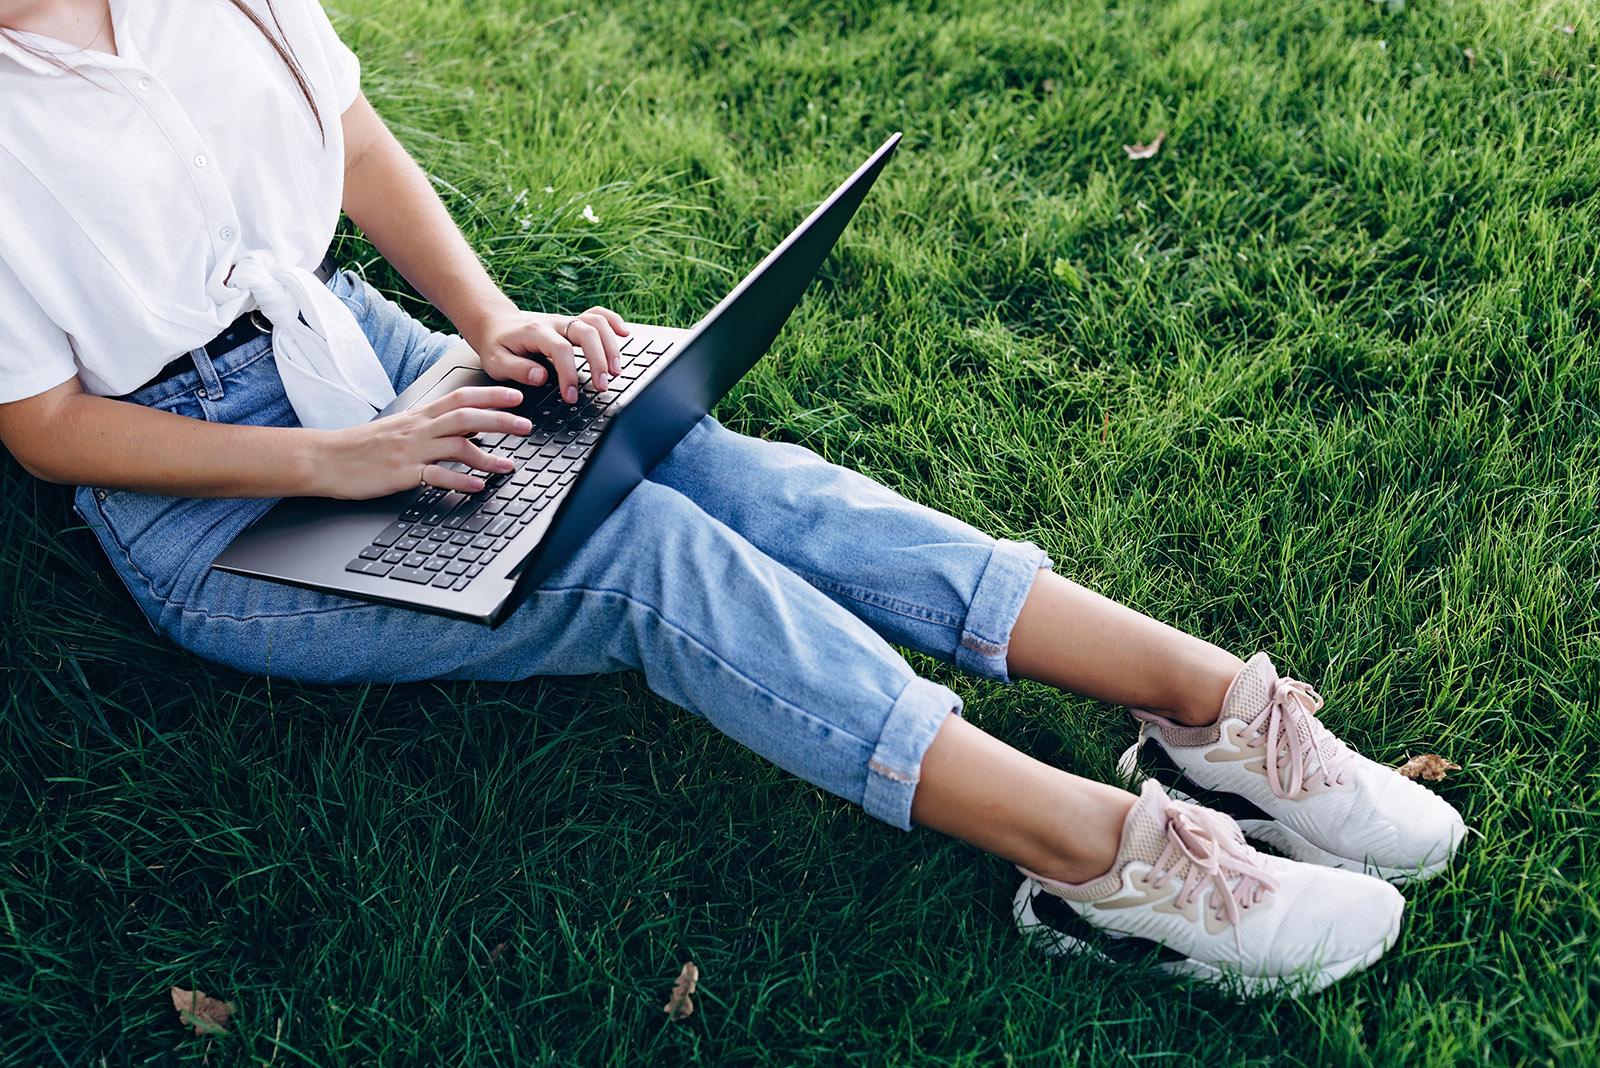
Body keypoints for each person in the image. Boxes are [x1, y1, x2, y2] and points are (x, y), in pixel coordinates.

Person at [0, 0, 1465, 993]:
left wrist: (490, 322)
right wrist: (339, 464)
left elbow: (352, 134)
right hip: (210, 501)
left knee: (701, 456)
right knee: (646, 565)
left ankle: (1209, 711)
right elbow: (49, 427)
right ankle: (1104, 863)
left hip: (356, 346)